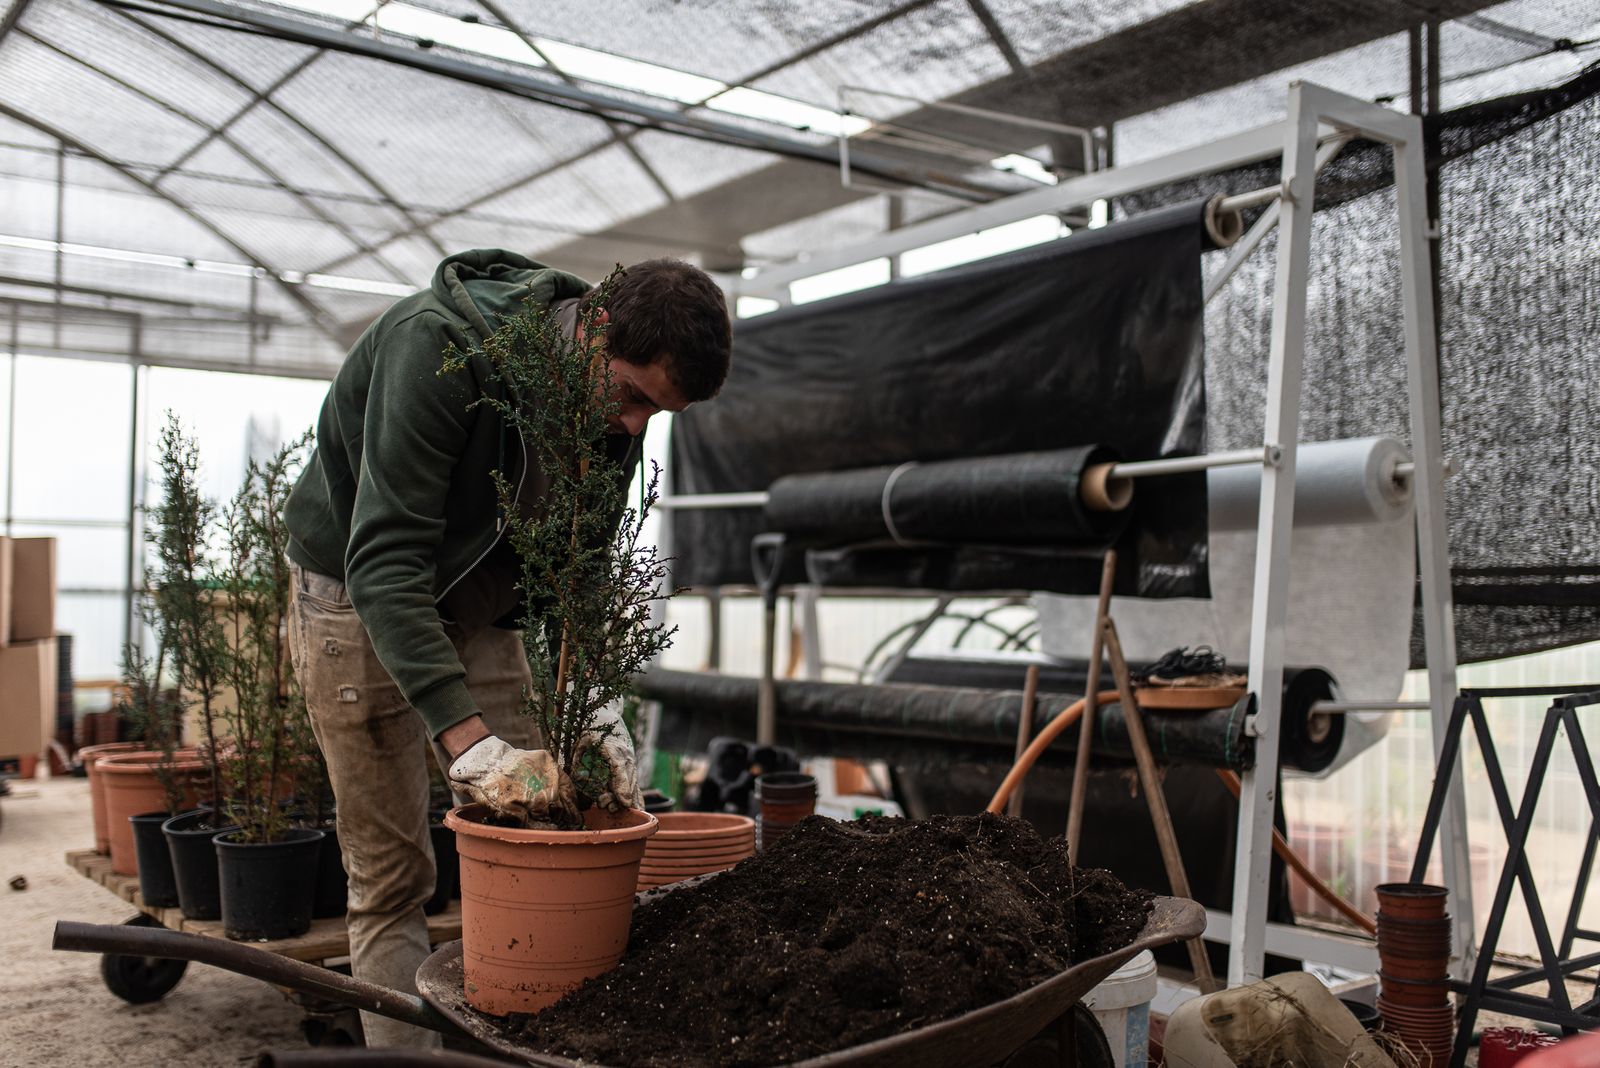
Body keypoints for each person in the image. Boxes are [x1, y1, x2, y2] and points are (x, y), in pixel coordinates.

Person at [283, 249, 731, 1048]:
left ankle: (513, 1037)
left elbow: (579, 569)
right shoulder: (441, 348)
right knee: (393, 878)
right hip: (355, 596)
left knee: (536, 832)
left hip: (482, 602)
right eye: (631, 395)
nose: (633, 427)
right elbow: (385, 564)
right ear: (592, 325)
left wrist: (594, 701)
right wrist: (469, 742)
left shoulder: (610, 407)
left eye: (656, 413)